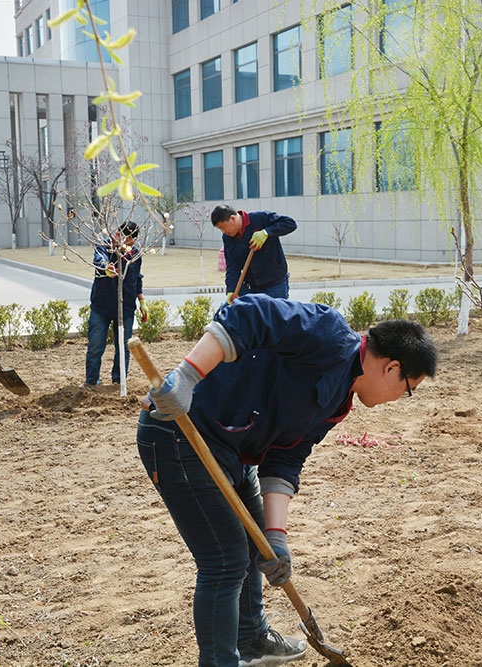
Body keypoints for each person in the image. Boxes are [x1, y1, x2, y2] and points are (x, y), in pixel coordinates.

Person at [136, 295, 437, 667]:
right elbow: (247, 314)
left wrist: (276, 537)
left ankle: (251, 641)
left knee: (254, 543)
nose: (399, 398)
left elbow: (286, 458)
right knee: (225, 559)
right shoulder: (327, 333)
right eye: (408, 390)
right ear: (392, 368)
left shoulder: (339, 399)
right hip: (181, 433)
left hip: (233, 450)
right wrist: (185, 378)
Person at [84, 221, 147, 387]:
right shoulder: (105, 247)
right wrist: (107, 268)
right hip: (101, 306)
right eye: (128, 240)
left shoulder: (135, 255)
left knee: (123, 348)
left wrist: (141, 300)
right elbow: (99, 260)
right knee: (95, 345)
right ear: (120, 235)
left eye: (133, 241)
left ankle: (119, 381)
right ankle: (91, 381)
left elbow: (137, 278)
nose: (130, 244)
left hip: (125, 308)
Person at [212, 205, 296, 304]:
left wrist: (266, 233)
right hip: (251, 287)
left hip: (275, 285)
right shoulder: (228, 238)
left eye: (223, 227)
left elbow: (290, 223)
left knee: (273, 317)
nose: (223, 231)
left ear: (232, 218)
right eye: (220, 229)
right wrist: (231, 290)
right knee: (236, 313)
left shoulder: (260, 218)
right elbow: (232, 266)